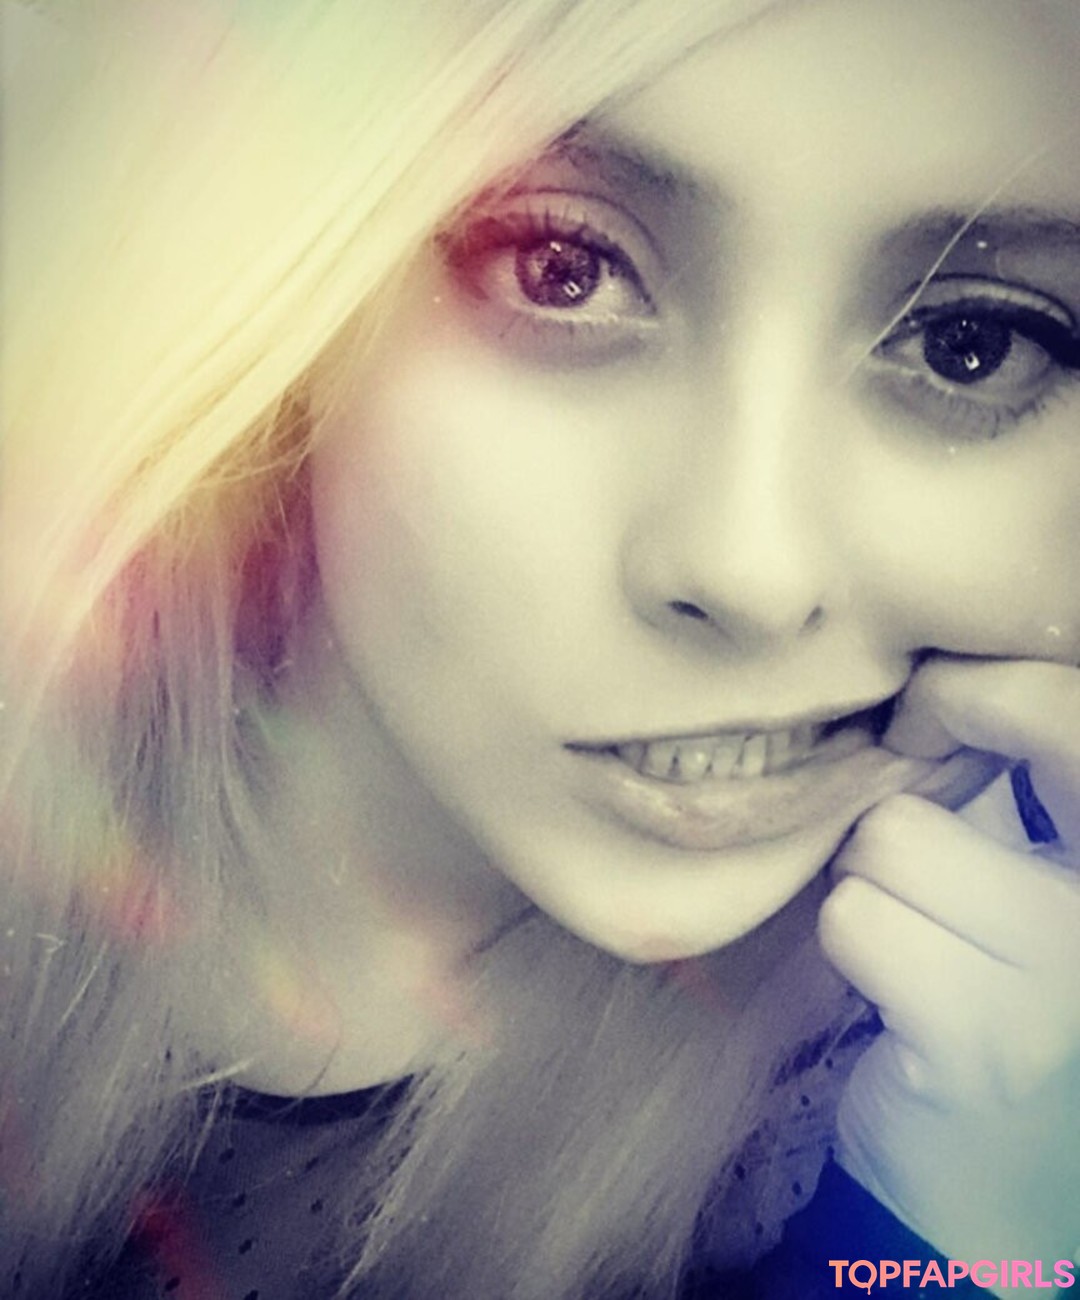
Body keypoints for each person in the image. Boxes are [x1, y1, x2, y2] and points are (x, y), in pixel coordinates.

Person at [2, 0, 1078, 1296]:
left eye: (971, 347)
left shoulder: (954, 1104)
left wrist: (967, 1243)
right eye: (561, 267)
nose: (748, 569)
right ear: (281, 293)